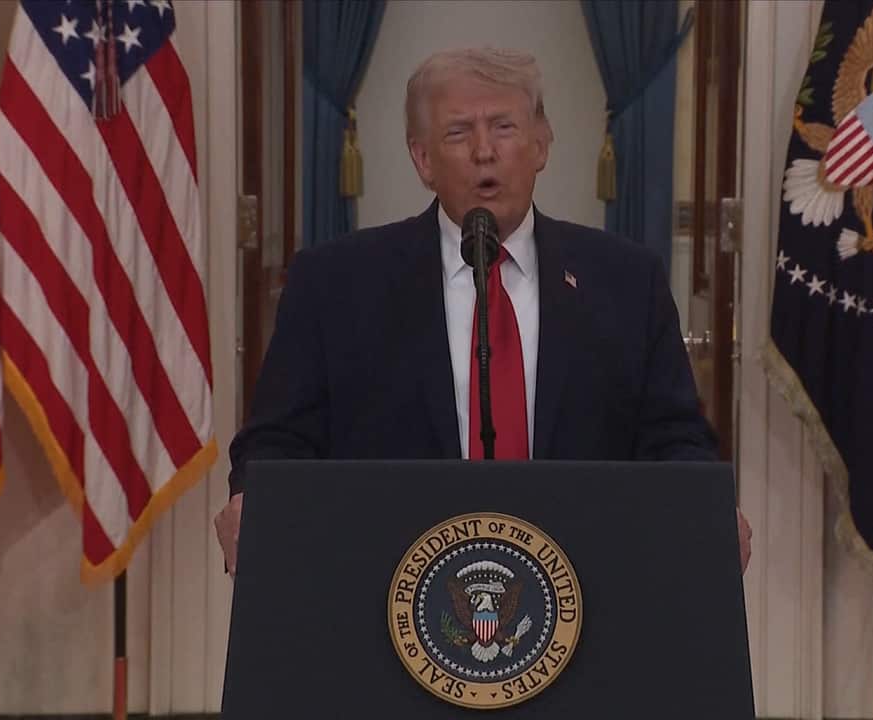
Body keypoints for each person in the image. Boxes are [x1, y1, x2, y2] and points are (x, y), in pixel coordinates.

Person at [217, 47, 751, 573]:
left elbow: (675, 439)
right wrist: (254, 499)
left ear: (541, 144)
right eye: (457, 132)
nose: (484, 151)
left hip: (588, 584)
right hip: (385, 585)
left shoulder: (627, 281)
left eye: (504, 127)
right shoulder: (335, 284)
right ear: (423, 160)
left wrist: (705, 505)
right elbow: (278, 440)